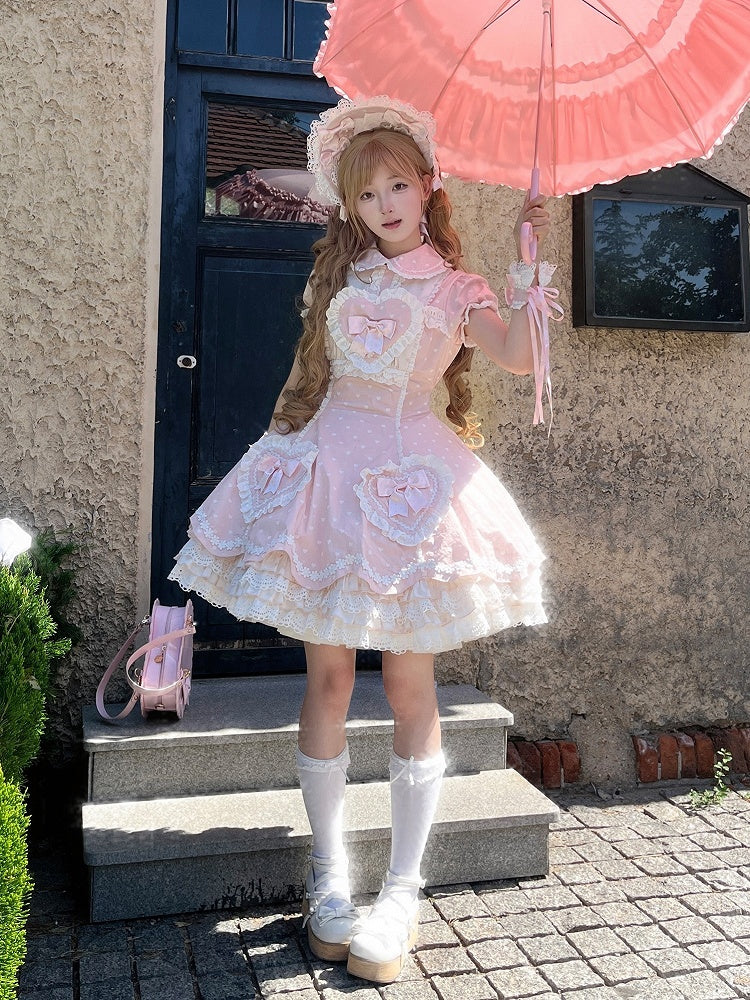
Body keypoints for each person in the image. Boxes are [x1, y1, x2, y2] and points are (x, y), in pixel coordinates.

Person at [169, 95, 553, 984]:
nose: (385, 204)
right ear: (349, 202)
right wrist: (281, 461)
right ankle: (331, 874)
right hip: (328, 481)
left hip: (413, 489)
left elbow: (517, 357)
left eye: (398, 186)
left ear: (427, 189)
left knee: (412, 685)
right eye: (367, 192)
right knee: (330, 679)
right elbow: (309, 376)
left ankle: (404, 887)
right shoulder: (338, 278)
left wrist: (529, 266)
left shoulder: (457, 288)